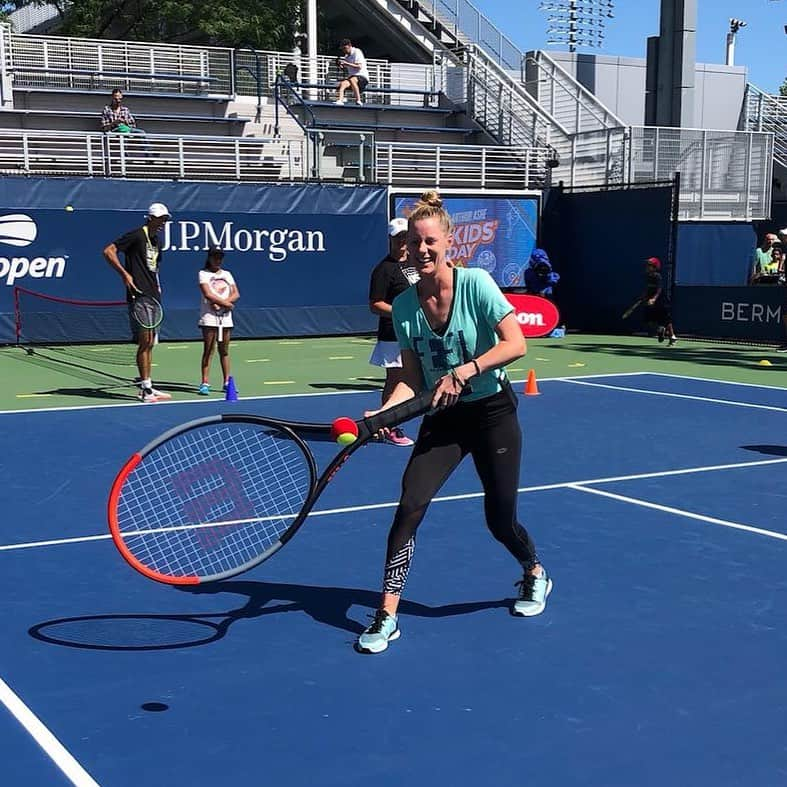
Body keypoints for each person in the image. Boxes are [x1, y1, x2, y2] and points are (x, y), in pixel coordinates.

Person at [355, 190, 551, 655]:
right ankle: (387, 613)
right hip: (444, 419)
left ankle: (534, 572)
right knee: (410, 504)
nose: (422, 250)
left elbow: (515, 345)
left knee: (500, 521)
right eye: (414, 242)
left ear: (448, 242)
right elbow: (411, 378)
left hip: (492, 414)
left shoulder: (477, 283)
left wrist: (464, 371)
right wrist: (383, 413)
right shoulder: (404, 307)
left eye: (430, 242)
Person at [103, 203, 172, 403]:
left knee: (150, 342)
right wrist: (125, 275)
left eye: (165, 219)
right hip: (138, 295)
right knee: (144, 342)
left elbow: (155, 268)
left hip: (153, 296)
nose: (162, 223)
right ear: (150, 218)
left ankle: (148, 385)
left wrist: (158, 286)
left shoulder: (157, 241)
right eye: (160, 219)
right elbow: (108, 251)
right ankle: (144, 390)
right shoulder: (136, 235)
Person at [368, 217, 420, 446]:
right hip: (393, 334)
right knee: (396, 379)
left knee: (413, 378)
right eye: (398, 237)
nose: (402, 241)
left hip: (414, 332)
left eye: (405, 237)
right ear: (390, 239)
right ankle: (387, 425)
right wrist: (401, 313)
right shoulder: (384, 270)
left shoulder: (413, 264)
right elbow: (375, 304)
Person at [198, 246, 240, 395]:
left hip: (225, 318)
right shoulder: (203, 274)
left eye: (220, 257)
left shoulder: (227, 274)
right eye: (215, 256)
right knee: (209, 350)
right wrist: (225, 303)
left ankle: (227, 382)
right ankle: (204, 382)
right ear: (209, 258)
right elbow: (207, 293)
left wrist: (224, 303)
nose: (218, 260)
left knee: (224, 350)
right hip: (209, 318)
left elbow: (236, 293)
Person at [642, 256, 677, 346]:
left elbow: (659, 289)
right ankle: (661, 330)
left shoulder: (657, 276)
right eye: (647, 265)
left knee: (665, 318)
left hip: (660, 300)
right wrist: (645, 296)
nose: (647, 267)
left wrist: (654, 299)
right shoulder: (648, 276)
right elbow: (648, 289)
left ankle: (672, 336)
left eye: (649, 265)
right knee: (650, 320)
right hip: (651, 300)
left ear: (654, 267)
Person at [334, 38, 369, 106]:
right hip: (353, 78)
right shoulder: (346, 57)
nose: (344, 50)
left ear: (349, 46)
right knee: (343, 84)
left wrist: (346, 63)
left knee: (352, 80)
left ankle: (358, 100)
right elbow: (347, 68)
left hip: (362, 77)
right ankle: (340, 100)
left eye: (345, 48)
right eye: (342, 49)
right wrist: (341, 65)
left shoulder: (357, 52)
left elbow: (359, 66)